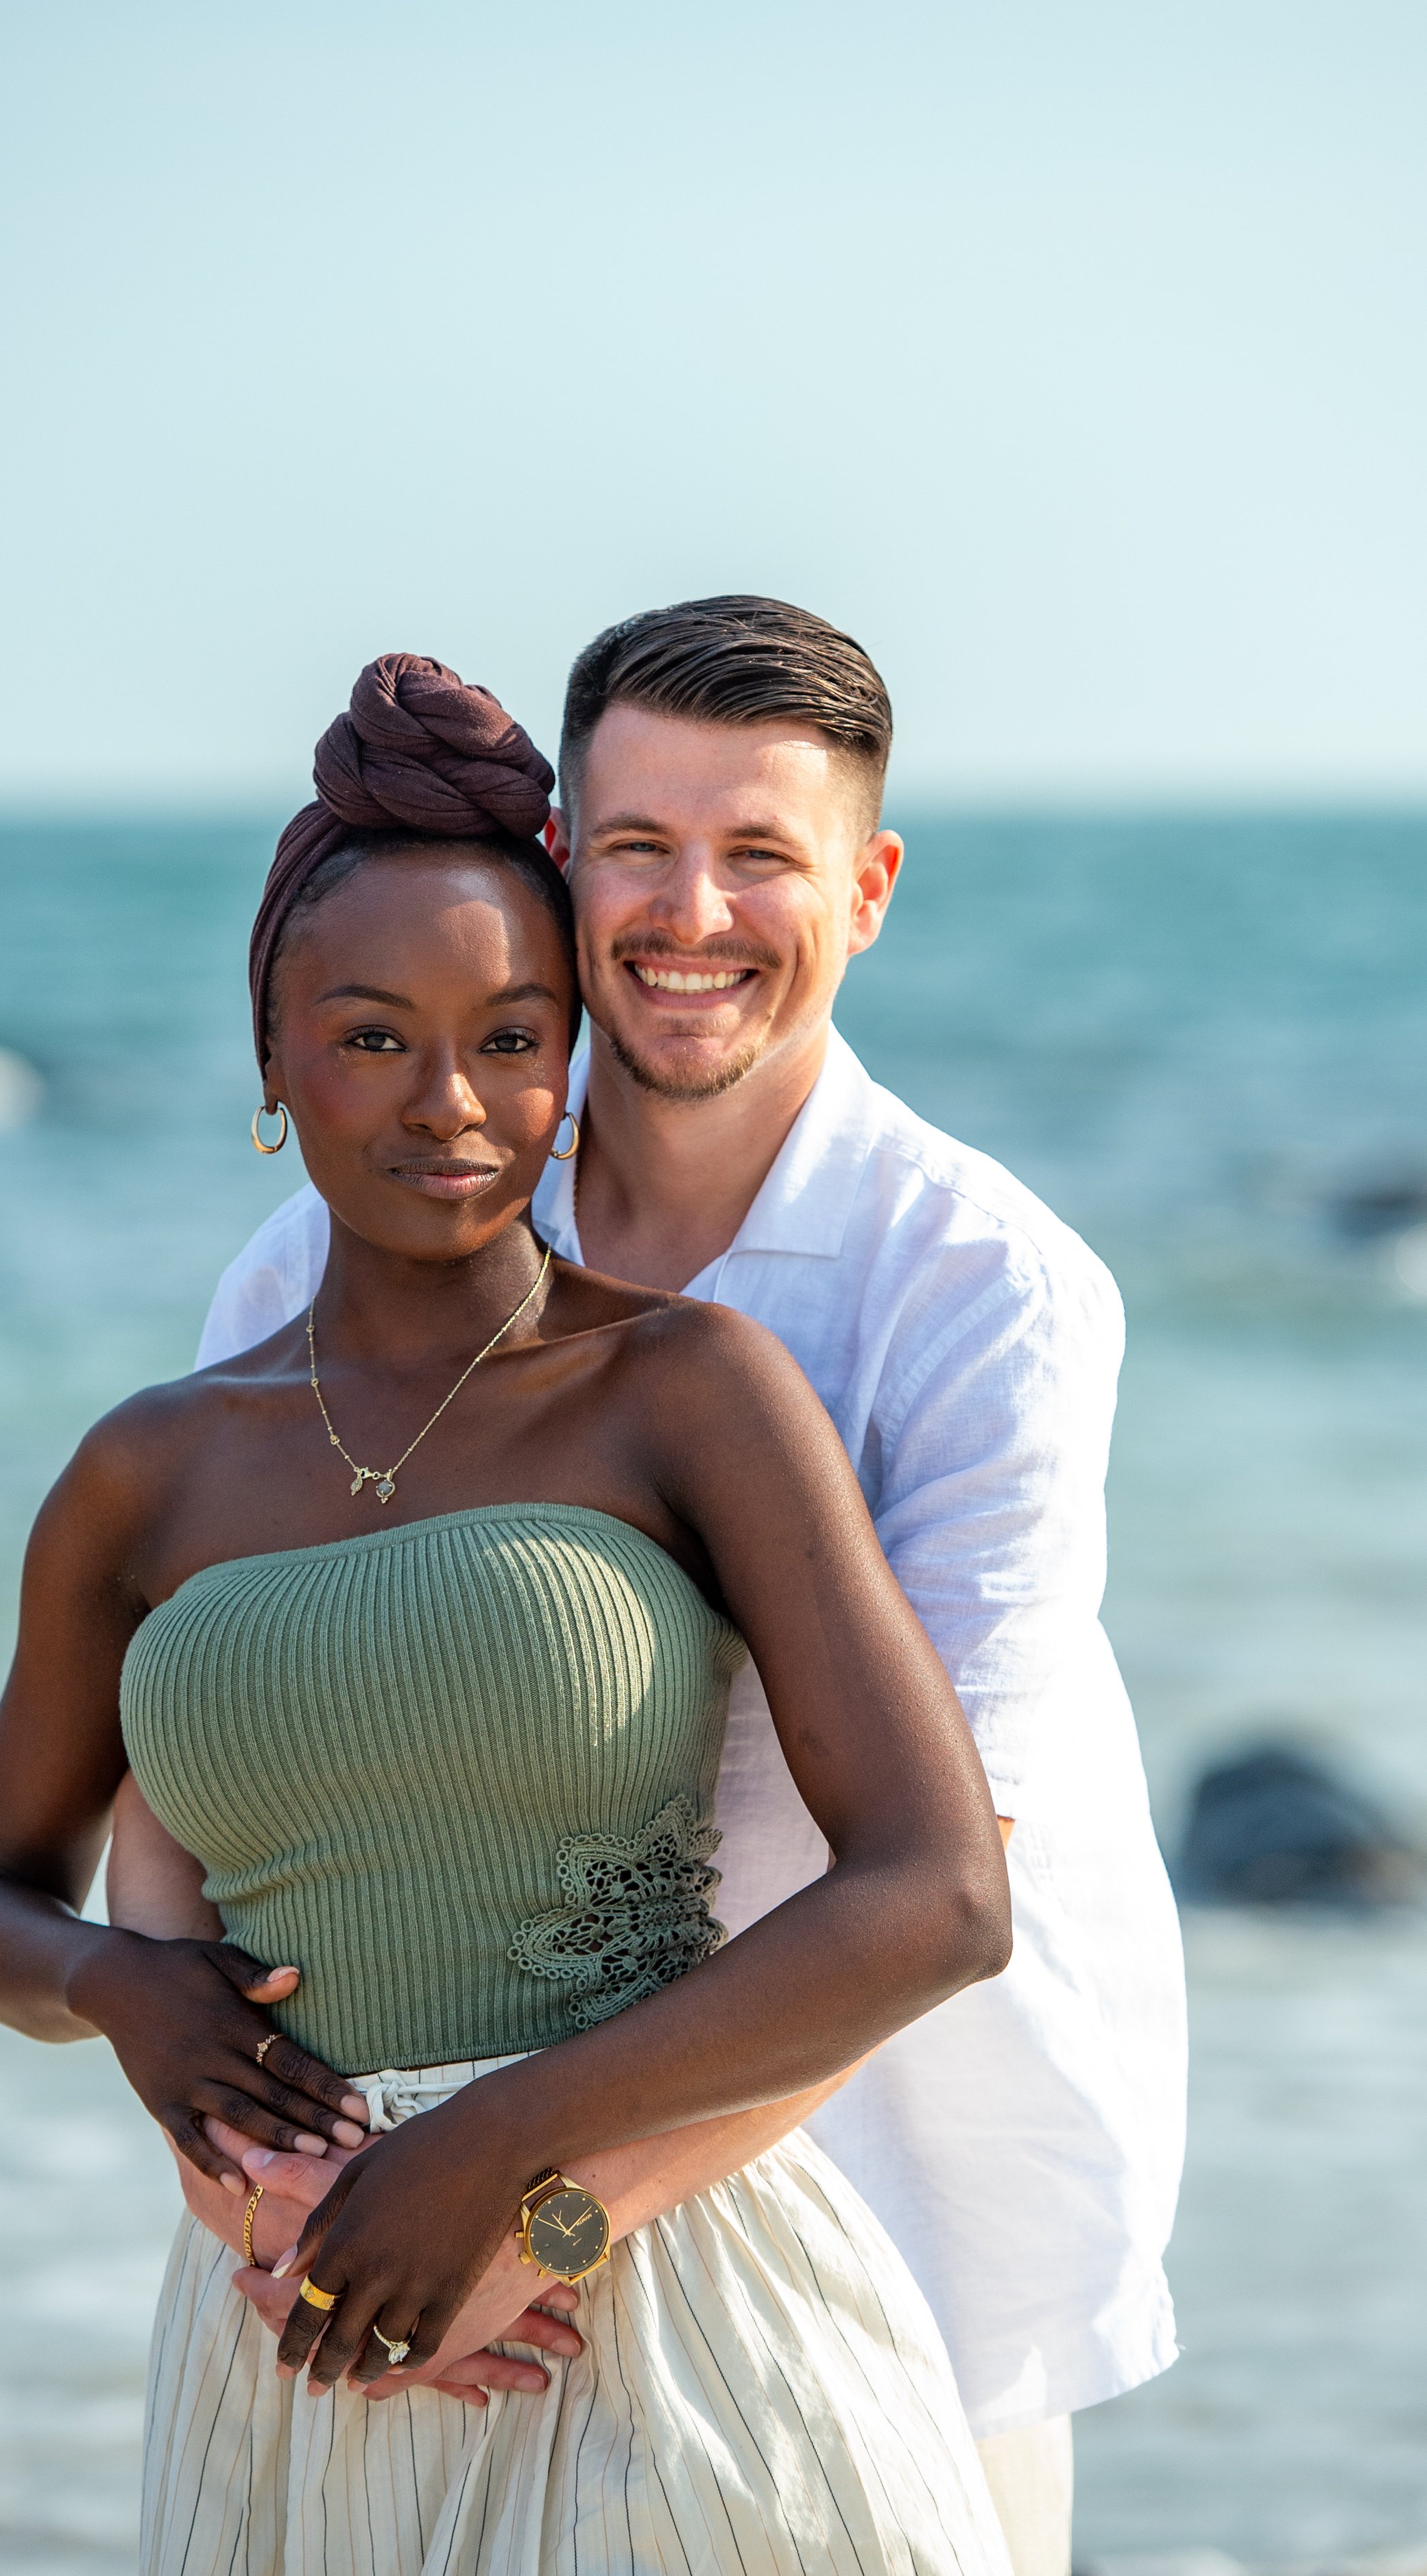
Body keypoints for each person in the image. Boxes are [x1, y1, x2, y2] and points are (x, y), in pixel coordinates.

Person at [0, 653, 1017, 2576]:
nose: (452, 1101)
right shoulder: (150, 1465)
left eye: (515, 1037)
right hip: (291, 2319)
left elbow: (938, 1892)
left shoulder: (691, 1387)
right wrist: (128, 1999)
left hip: (653, 2309)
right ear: (268, 1054)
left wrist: (497, 2164)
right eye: (370, 1037)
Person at [173, 601, 1190, 2576]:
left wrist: (529, 2210)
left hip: (894, 2225)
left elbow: (926, 1887)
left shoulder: (983, 1292)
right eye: (635, 844)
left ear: (869, 887)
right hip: (411, 2233)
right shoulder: (327, 1263)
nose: (688, 913)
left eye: (761, 855)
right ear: (560, 863)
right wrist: (264, 2193)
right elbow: (207, 1780)